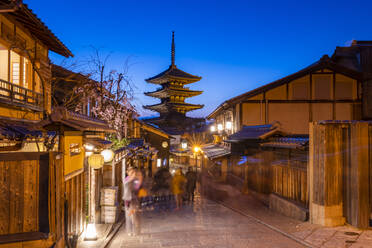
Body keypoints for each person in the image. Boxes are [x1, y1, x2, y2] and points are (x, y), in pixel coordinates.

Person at [123, 167, 142, 236]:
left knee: (133, 216)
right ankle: (129, 231)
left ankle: (135, 230)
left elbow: (137, 187)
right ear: (127, 172)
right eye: (130, 172)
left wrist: (138, 180)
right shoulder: (126, 179)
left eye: (133, 172)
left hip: (134, 201)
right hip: (127, 200)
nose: (132, 173)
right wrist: (132, 178)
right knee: (128, 216)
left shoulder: (135, 180)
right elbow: (126, 184)